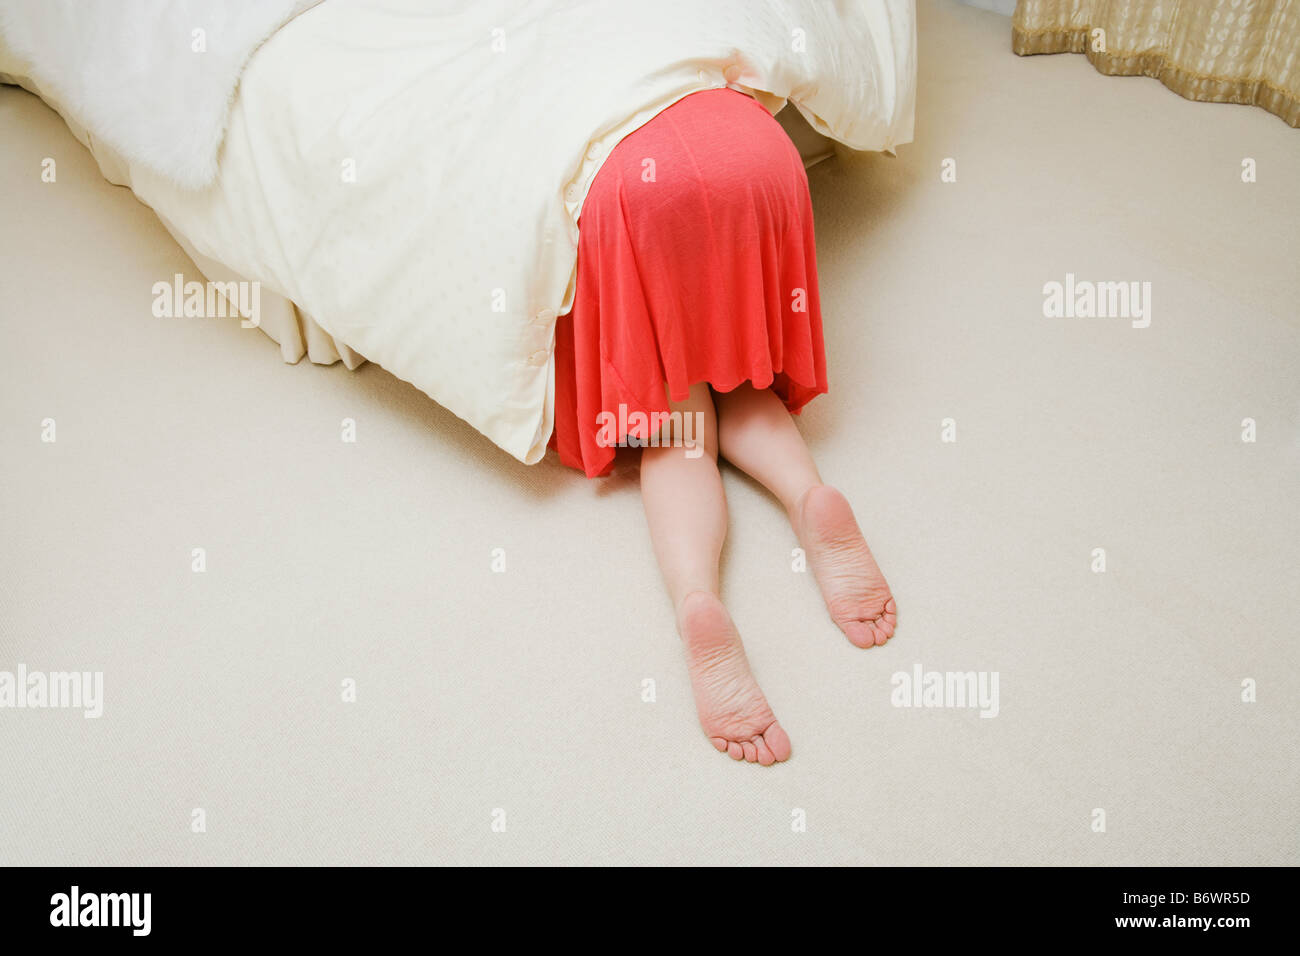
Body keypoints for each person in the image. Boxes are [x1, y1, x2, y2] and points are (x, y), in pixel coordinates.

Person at [549, 89, 896, 765]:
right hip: (753, 157)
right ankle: (807, 499)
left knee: (678, 428)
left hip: (636, 194)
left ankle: (698, 599)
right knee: (741, 380)